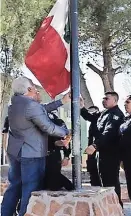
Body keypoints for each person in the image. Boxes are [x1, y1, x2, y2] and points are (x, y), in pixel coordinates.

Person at [1, 76, 70, 216]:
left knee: (14, 186)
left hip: (15, 152)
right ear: (29, 89)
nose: (35, 90)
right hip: (31, 154)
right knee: (30, 189)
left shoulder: (14, 105)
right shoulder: (31, 106)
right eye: (33, 87)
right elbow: (49, 127)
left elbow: (41, 109)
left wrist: (61, 102)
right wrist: (66, 132)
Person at [85, 91, 124, 206]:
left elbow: (109, 133)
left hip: (111, 155)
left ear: (115, 101)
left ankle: (117, 209)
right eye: (103, 98)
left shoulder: (116, 114)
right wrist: (82, 107)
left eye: (107, 98)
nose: (104, 100)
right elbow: (89, 117)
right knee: (102, 184)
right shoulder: (104, 113)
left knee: (110, 184)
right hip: (101, 155)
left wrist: (95, 145)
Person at [45, 111, 73, 191]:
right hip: (40, 155)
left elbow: (65, 140)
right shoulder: (38, 121)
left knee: (54, 182)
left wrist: (67, 156)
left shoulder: (58, 122)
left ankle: (70, 187)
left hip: (53, 155)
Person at [80, 100, 101, 186]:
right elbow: (87, 116)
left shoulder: (100, 118)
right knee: (92, 171)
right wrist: (81, 107)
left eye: (94, 111)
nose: (92, 113)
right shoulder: (92, 123)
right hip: (92, 152)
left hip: (99, 150)